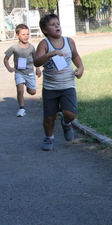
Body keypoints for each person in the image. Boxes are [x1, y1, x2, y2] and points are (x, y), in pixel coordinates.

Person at [34, 14, 84, 151]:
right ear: (45, 30)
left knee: (71, 113)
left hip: (68, 85)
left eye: (58, 23)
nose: (57, 26)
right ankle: (49, 137)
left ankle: (66, 123)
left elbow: (75, 56)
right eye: (52, 24)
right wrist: (49, 54)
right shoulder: (44, 44)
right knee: (50, 117)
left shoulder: (69, 42)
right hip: (50, 87)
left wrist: (80, 68)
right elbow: (36, 61)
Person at [4, 24, 41, 117]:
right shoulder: (14, 47)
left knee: (33, 92)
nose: (26, 36)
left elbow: (35, 58)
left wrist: (37, 69)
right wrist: (9, 67)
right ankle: (21, 108)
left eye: (27, 34)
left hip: (29, 73)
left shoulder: (31, 47)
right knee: (20, 90)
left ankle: (28, 86)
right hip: (19, 72)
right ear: (17, 35)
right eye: (23, 34)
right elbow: (6, 58)